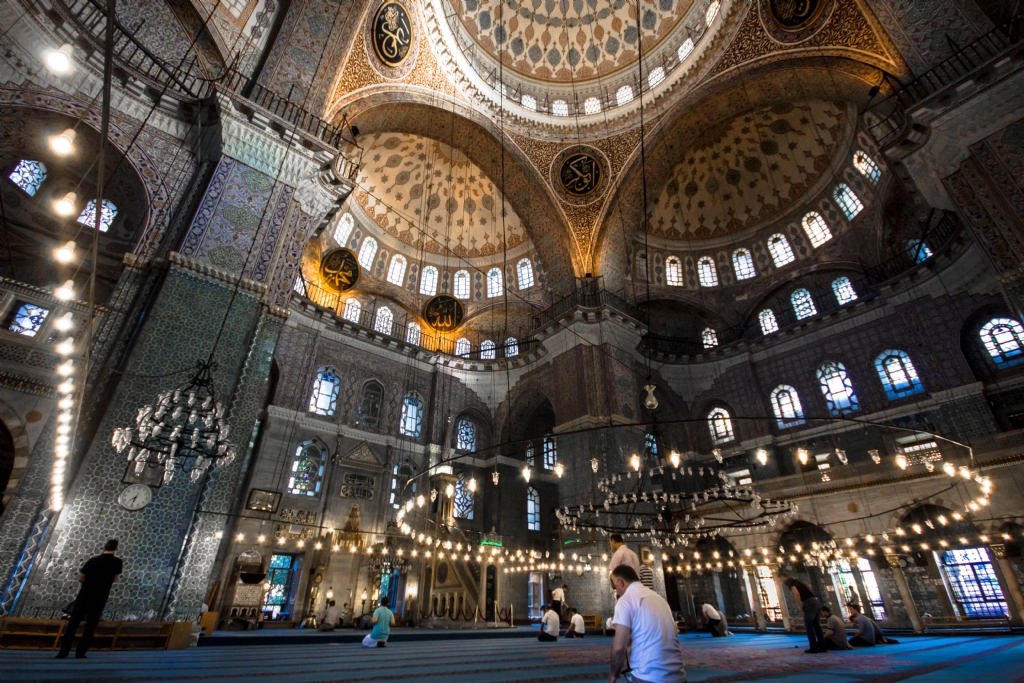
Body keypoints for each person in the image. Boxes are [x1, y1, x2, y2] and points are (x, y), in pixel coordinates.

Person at [608, 565, 687, 683]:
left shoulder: (625, 600)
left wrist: (613, 674)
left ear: (621, 582)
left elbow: (619, 647)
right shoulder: (660, 599)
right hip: (679, 676)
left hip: (650, 677)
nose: (617, 592)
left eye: (615, 587)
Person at [57, 539, 123, 659]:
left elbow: (81, 578)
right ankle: (80, 653)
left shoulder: (93, 560)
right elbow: (114, 579)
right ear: (116, 549)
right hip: (100, 597)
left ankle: (63, 652)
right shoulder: (117, 562)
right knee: (90, 626)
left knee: (73, 624)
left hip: (85, 595)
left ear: (104, 547)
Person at [784, 577, 826, 654]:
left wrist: (798, 605)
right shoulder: (797, 581)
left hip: (809, 603)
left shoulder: (789, 581)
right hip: (815, 601)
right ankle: (822, 647)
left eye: (780, 580)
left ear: (782, 577)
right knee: (817, 626)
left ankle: (813, 648)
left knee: (809, 626)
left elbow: (797, 593)